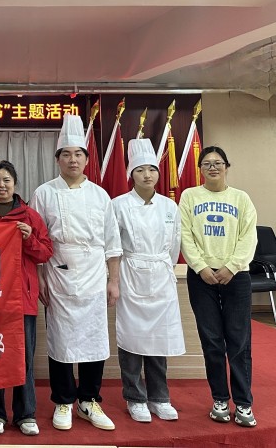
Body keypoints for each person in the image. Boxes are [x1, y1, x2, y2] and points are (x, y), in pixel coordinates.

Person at [30, 113, 122, 432]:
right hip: (58, 273)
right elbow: (37, 241)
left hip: (94, 273)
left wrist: (114, 281)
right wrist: (40, 278)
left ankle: (89, 400)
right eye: (66, 154)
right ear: (58, 159)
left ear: (86, 159)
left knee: (94, 339)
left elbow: (112, 242)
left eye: (78, 154)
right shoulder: (43, 193)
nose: (72, 159)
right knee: (61, 340)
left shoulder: (100, 195)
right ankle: (64, 401)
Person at [179, 146, 258, 428]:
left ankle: (244, 403)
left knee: (238, 341)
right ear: (200, 168)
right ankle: (220, 400)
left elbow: (248, 237)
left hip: (236, 276)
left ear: (227, 166)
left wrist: (232, 266)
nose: (212, 167)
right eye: (207, 163)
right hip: (202, 278)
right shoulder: (189, 196)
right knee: (212, 341)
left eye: (218, 163)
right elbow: (184, 234)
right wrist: (201, 267)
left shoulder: (241, 198)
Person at [0, 160, 52, 436]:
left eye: (6, 180)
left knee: (23, 358)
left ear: (15, 184)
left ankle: (25, 413)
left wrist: (29, 238)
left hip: (22, 298)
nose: (2, 185)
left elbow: (45, 253)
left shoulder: (30, 216)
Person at [111, 139, 184, 423]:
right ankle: (135, 397)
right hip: (131, 274)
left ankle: (159, 398)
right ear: (131, 174)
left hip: (161, 276)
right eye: (140, 170)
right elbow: (113, 244)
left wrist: (161, 267)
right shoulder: (118, 205)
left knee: (158, 339)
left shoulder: (169, 206)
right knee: (132, 340)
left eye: (152, 169)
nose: (147, 175)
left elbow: (174, 245)